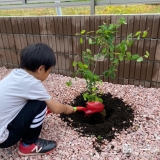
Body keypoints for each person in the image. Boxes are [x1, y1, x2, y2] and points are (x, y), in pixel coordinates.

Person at [0, 43, 74, 156]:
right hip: (4, 139)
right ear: (41, 68)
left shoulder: (15, 74)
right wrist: (69, 108)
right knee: (40, 104)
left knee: (35, 102)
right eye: (49, 71)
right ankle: (28, 145)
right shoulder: (32, 84)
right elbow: (55, 108)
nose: (48, 74)